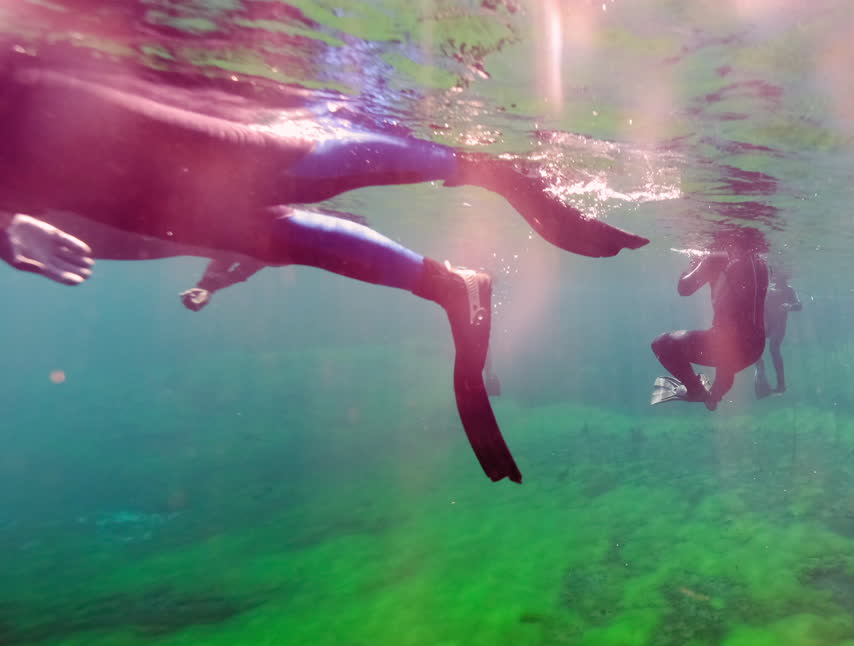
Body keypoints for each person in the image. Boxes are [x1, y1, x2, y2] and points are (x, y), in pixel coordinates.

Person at [1, 49, 650, 483]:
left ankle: (488, 174)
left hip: (88, 131)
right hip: (93, 179)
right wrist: (8, 229)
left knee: (265, 172)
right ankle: (448, 281)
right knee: (259, 227)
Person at [650, 228, 769, 411]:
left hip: (728, 344)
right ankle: (713, 397)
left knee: (662, 344)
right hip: (755, 348)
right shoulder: (760, 263)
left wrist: (694, 261)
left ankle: (696, 390)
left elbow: (684, 289)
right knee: (727, 355)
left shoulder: (718, 257)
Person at [753, 270, 802, 398]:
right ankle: (760, 369)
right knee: (754, 345)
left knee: (773, 348)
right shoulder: (769, 289)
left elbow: (799, 305)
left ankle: (781, 384)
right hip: (766, 324)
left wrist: (789, 306)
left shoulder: (789, 290)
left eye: (774, 273)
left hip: (779, 326)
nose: (772, 275)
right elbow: (761, 306)